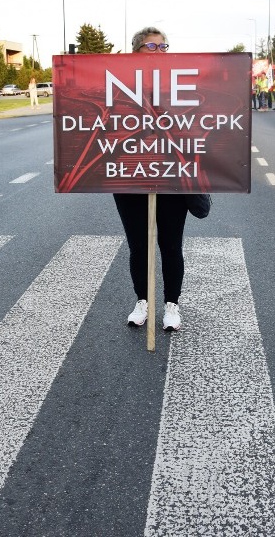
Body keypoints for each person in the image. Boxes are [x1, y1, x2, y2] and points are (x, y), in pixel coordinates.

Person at [115, 26, 185, 332]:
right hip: (129, 175)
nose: (159, 51)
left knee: (171, 245)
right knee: (138, 246)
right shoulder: (118, 83)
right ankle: (142, 301)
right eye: (152, 47)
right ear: (136, 52)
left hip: (171, 175)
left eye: (163, 46)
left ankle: (171, 305)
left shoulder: (179, 83)